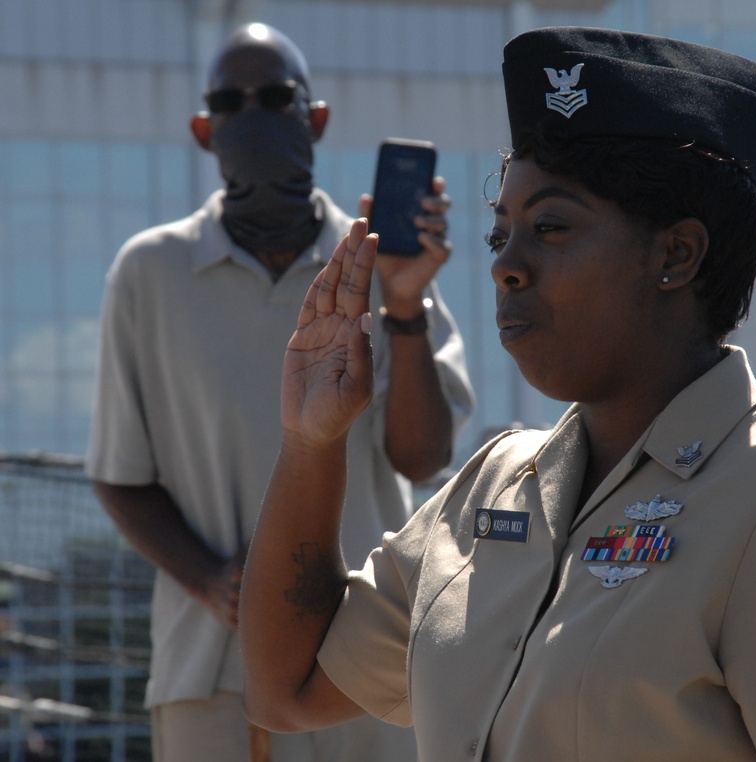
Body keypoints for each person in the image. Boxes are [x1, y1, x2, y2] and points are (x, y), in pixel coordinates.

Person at [239, 27, 756, 761]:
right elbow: (286, 687)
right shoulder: (493, 488)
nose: (507, 264)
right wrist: (311, 444)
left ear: (675, 253)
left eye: (551, 227)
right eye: (498, 235)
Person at [85, 21, 473, 762]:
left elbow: (422, 455)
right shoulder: (149, 272)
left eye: (276, 97)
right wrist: (208, 580)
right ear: (204, 130)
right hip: (213, 670)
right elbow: (118, 475)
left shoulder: (375, 261)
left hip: (367, 654)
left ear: (316, 118)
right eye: (232, 102)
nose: (254, 115)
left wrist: (403, 305)